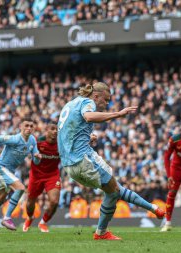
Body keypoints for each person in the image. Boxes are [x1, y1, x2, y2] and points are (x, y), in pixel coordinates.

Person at [57, 82, 165, 240]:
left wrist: (87, 137)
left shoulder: (71, 104)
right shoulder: (88, 102)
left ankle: (153, 209)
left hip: (69, 166)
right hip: (83, 159)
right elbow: (88, 116)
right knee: (114, 191)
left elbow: (67, 131)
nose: (106, 104)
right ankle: (102, 232)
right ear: (96, 96)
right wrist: (118, 114)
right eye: (105, 100)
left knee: (113, 190)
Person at [0, 117, 42, 233]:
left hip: (9, 172)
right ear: (20, 127)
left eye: (31, 126)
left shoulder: (32, 141)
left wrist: (37, 158)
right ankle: (7, 218)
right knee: (20, 188)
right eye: (26, 125)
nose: (29, 128)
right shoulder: (14, 139)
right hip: (0, 168)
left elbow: (36, 162)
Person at [22, 123, 61, 233]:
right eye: (52, 129)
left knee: (54, 202)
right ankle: (30, 218)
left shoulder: (61, 144)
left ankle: (43, 222)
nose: (55, 131)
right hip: (36, 176)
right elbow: (24, 148)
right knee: (30, 203)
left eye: (56, 129)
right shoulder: (37, 142)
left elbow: (76, 144)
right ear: (46, 130)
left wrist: (89, 140)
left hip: (52, 175)